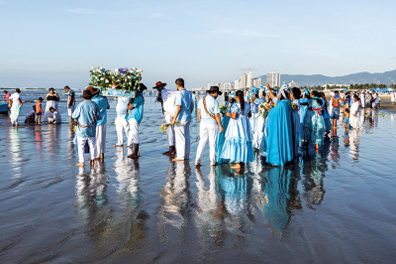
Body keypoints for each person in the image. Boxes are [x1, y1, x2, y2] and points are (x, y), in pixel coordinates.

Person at [220, 90, 254, 170]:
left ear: (236, 97)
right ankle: (242, 161)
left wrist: (228, 114)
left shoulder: (236, 105)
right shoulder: (247, 104)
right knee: (243, 142)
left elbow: (234, 116)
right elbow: (250, 115)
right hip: (245, 125)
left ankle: (238, 163)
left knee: (237, 141)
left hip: (237, 126)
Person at [263, 84, 294, 166]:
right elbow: (275, 99)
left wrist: (269, 110)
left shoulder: (281, 105)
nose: (278, 96)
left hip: (279, 128)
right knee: (285, 139)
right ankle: (285, 157)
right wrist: (269, 90)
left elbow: (273, 113)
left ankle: (276, 160)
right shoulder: (287, 103)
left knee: (277, 140)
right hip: (285, 127)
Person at [195, 86, 224, 167]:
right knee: (212, 144)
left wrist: (200, 121)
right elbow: (217, 115)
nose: (217, 95)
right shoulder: (214, 102)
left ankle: (197, 161)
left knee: (201, 143)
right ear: (215, 93)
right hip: (213, 124)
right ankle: (212, 162)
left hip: (203, 124)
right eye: (217, 93)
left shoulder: (202, 99)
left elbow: (199, 112)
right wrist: (221, 126)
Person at [72, 89, 101, 167]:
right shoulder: (95, 105)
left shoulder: (80, 105)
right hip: (92, 130)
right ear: (91, 97)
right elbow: (99, 117)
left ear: (84, 97)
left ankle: (81, 161)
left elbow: (74, 116)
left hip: (81, 130)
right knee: (92, 146)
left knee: (81, 146)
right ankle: (92, 160)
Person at [170, 78, 192, 161]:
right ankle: (186, 155)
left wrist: (173, 119)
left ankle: (180, 156)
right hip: (188, 116)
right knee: (186, 137)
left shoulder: (179, 93)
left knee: (180, 138)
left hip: (181, 118)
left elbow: (178, 107)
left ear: (177, 85)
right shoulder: (188, 93)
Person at [153, 81, 177, 155]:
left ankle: (171, 149)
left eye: (159, 87)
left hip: (168, 113)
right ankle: (173, 148)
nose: (158, 89)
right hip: (168, 112)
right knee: (171, 130)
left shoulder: (164, 93)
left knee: (169, 130)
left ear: (162, 87)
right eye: (157, 88)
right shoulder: (164, 93)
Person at [90, 86, 110, 161]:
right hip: (104, 120)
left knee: (97, 139)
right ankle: (102, 154)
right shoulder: (104, 98)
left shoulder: (93, 100)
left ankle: (97, 156)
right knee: (103, 138)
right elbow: (108, 106)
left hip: (97, 122)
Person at [126, 83, 146, 159]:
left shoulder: (138, 98)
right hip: (134, 117)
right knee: (134, 133)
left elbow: (130, 107)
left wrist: (131, 99)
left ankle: (136, 152)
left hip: (134, 117)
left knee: (135, 134)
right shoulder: (139, 97)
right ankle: (136, 152)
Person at [290, 87, 301, 155]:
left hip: (295, 117)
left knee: (295, 132)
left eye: (291, 93)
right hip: (293, 116)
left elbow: (293, 108)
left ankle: (295, 151)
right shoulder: (293, 101)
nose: (290, 94)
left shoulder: (296, 101)